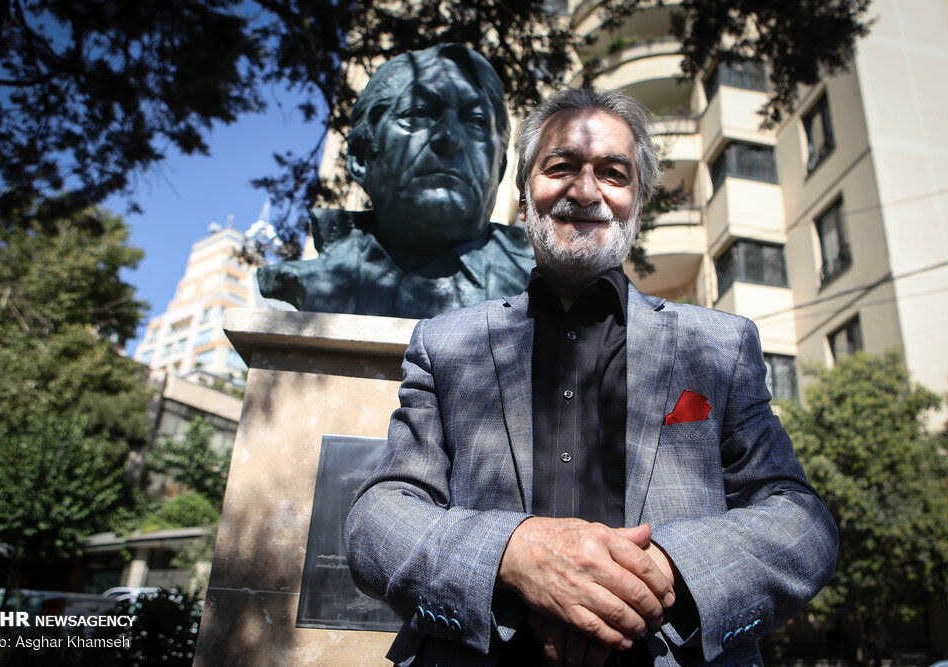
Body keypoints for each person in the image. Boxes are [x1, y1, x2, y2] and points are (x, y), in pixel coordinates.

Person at [344, 88, 838, 666]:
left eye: (612, 172)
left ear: (637, 202)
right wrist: (517, 553)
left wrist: (661, 573)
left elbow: (800, 522)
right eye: (560, 168)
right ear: (524, 199)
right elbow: (377, 519)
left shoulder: (721, 345)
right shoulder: (444, 344)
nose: (585, 191)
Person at [256, 44, 535, 318]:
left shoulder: (545, 288)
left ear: (500, 167)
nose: (450, 138)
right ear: (360, 156)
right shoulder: (316, 283)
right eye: (419, 113)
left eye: (476, 121)